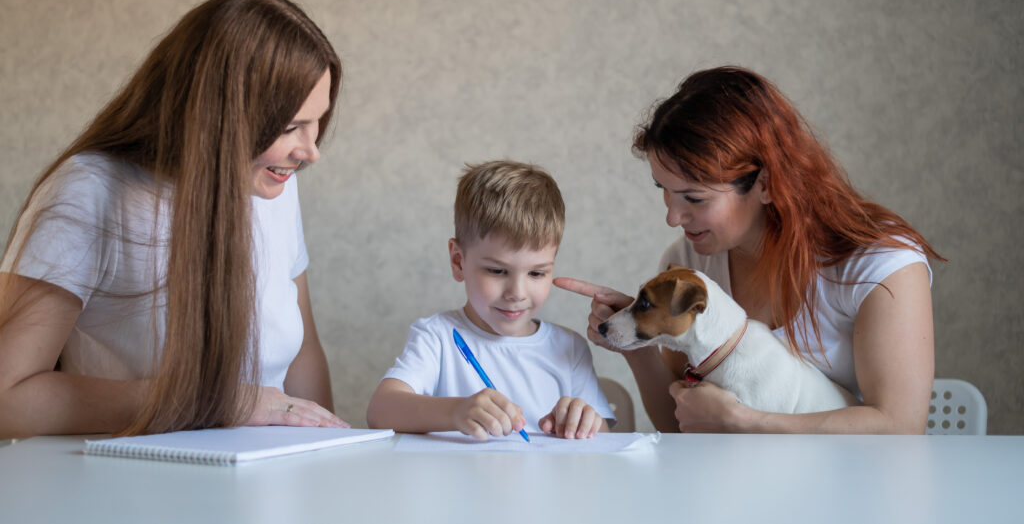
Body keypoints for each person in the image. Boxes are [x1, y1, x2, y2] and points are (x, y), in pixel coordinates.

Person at [0, 0, 349, 438]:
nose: (310, 151)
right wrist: (215, 402)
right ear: (216, 117)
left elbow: (303, 357)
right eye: (289, 127)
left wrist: (330, 450)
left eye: (316, 121)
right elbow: (8, 396)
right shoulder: (89, 192)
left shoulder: (273, 185)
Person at [555, 66, 941, 434]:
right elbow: (680, 426)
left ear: (767, 184)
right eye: (664, 191)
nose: (673, 217)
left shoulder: (881, 266)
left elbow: (900, 427)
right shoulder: (688, 263)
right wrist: (639, 342)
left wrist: (745, 422)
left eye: (694, 197)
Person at [366, 160, 614, 439]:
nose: (517, 293)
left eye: (536, 273)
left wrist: (585, 422)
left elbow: (606, 440)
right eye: (497, 271)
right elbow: (380, 410)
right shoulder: (437, 337)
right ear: (459, 261)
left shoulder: (569, 348)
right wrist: (455, 412)